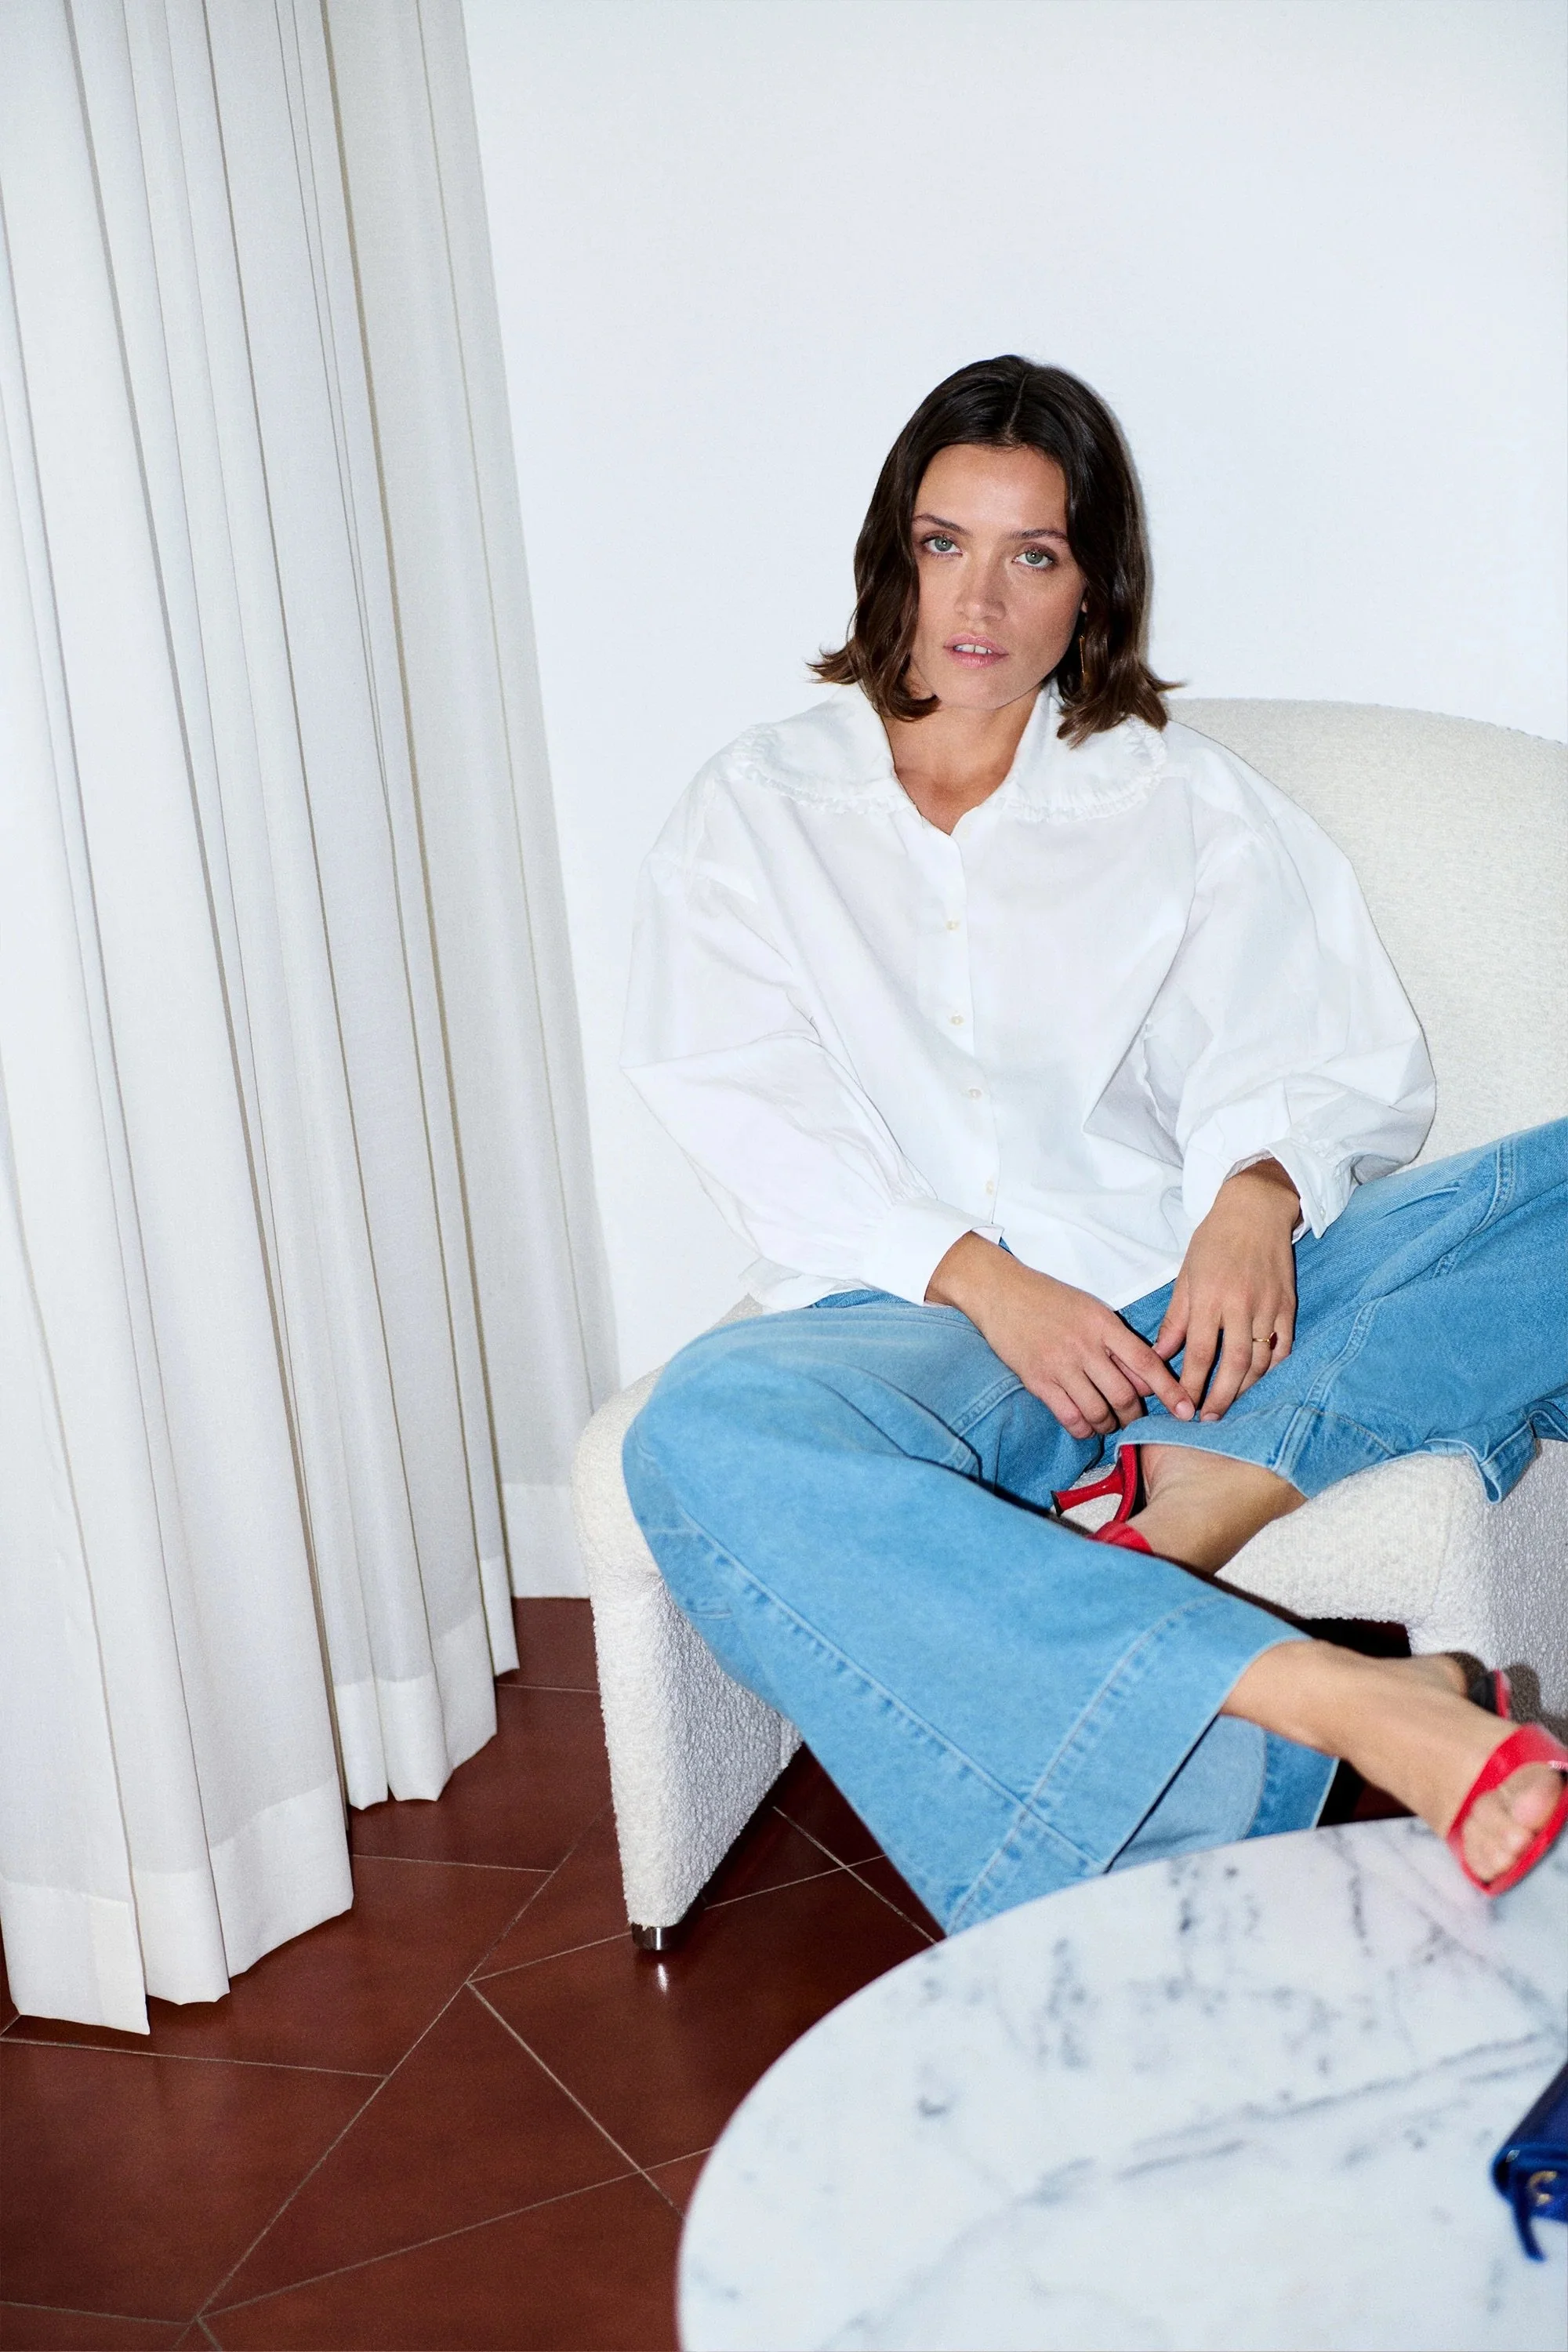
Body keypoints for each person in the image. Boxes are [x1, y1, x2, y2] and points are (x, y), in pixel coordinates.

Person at [619, 354, 1568, 1933]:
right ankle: (1338, 1704)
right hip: (902, 1331)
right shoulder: (755, 807)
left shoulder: (1176, 797)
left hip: (1183, 1323)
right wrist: (980, 1279)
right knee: (696, 1434)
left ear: (1092, 588)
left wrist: (1255, 1194)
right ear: (891, 553)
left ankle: (1195, 1505)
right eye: (944, 543)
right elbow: (738, 1098)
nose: (979, 599)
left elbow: (1321, 1048)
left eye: (1035, 554)